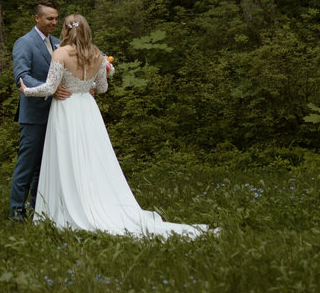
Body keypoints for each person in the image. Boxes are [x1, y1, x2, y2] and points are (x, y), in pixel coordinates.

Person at [21, 14, 212, 238]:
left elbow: (49, 88)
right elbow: (102, 88)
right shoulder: (97, 54)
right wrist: (87, 86)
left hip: (65, 109)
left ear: (64, 30)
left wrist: (27, 90)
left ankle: (66, 206)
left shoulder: (60, 53)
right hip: (88, 109)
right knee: (92, 158)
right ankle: (95, 200)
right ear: (87, 30)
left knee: (67, 156)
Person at [9, 0, 71, 221]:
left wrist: (102, 59)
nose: (54, 22)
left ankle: (39, 210)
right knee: (27, 165)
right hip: (34, 114)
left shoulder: (57, 43)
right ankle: (17, 210)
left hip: (56, 114)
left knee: (44, 167)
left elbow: (82, 50)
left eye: (56, 18)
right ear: (37, 18)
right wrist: (50, 89)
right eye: (49, 18)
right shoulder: (24, 43)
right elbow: (22, 77)